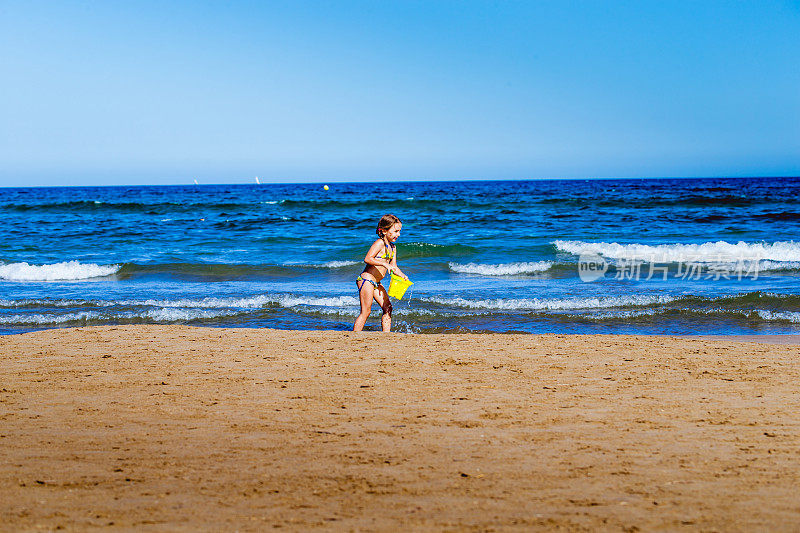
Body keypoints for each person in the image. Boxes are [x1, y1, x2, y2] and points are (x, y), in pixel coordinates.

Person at [353, 214, 409, 332]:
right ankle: (354, 336)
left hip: (376, 283)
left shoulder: (393, 248)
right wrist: (384, 264)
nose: (398, 234)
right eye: (395, 231)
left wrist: (402, 275)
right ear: (384, 231)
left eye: (399, 231)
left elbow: (394, 267)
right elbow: (368, 258)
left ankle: (386, 335)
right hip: (366, 280)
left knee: (388, 307)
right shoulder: (379, 243)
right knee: (366, 311)